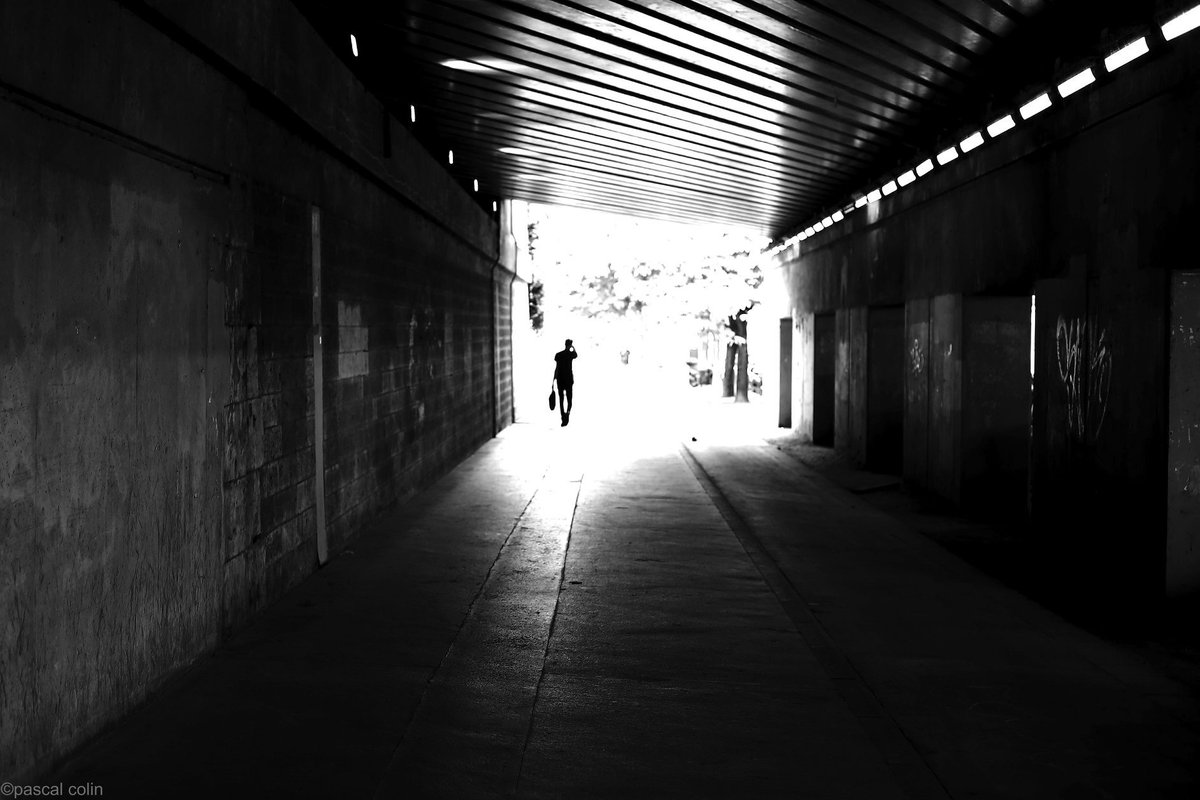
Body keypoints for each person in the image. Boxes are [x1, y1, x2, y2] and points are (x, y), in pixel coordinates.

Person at [553, 339, 577, 426]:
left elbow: (557, 367)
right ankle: (567, 413)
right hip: (568, 379)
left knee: (561, 399)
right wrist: (573, 348)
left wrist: (554, 378)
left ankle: (563, 415)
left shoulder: (559, 355)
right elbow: (576, 355)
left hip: (560, 379)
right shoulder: (570, 354)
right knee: (569, 399)